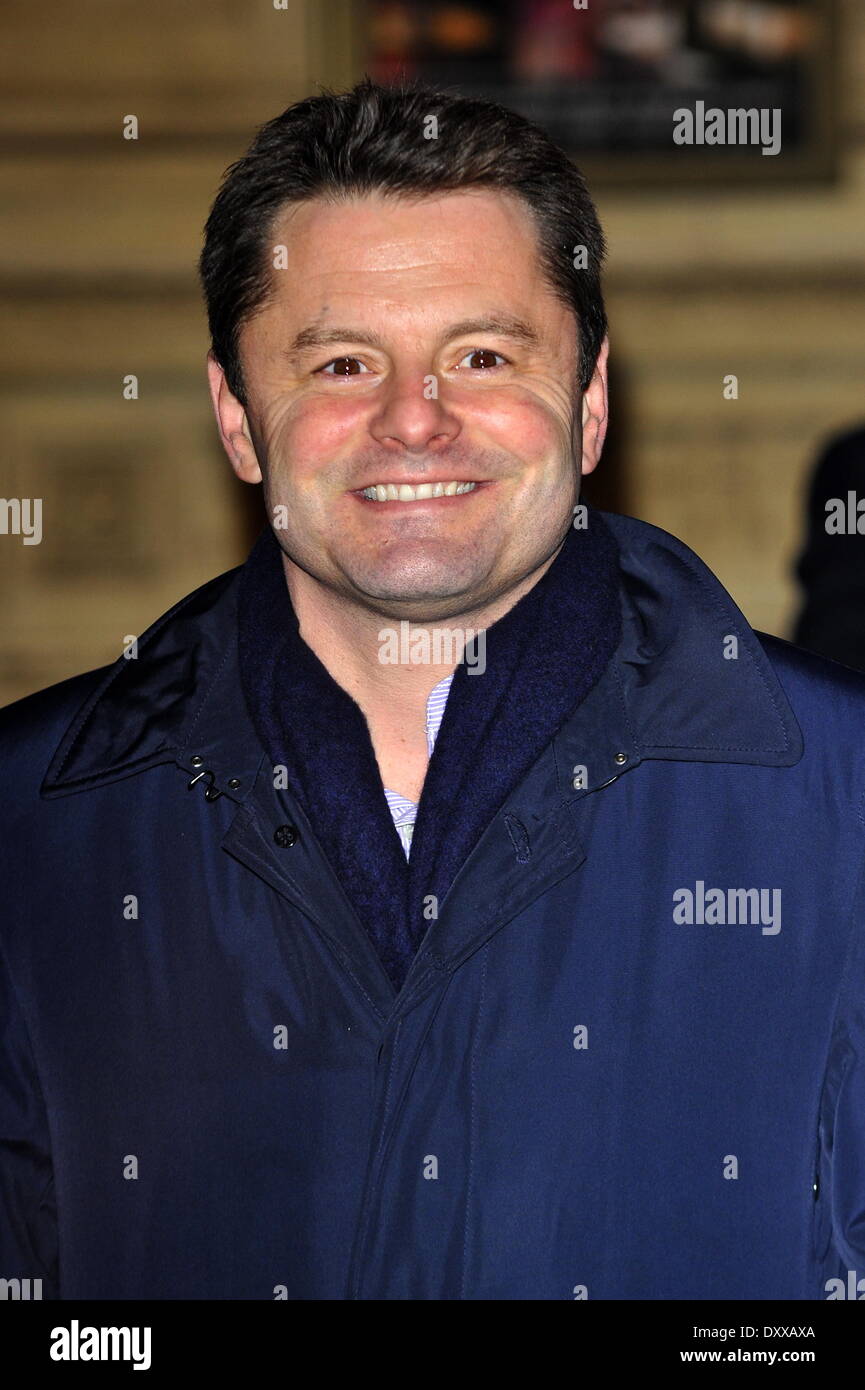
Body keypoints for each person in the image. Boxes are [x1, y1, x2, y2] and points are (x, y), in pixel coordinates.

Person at [1, 77, 863, 1302]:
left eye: (483, 353)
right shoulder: (31, 825)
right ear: (238, 420)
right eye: (346, 361)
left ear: (592, 400)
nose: (416, 418)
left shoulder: (844, 807)